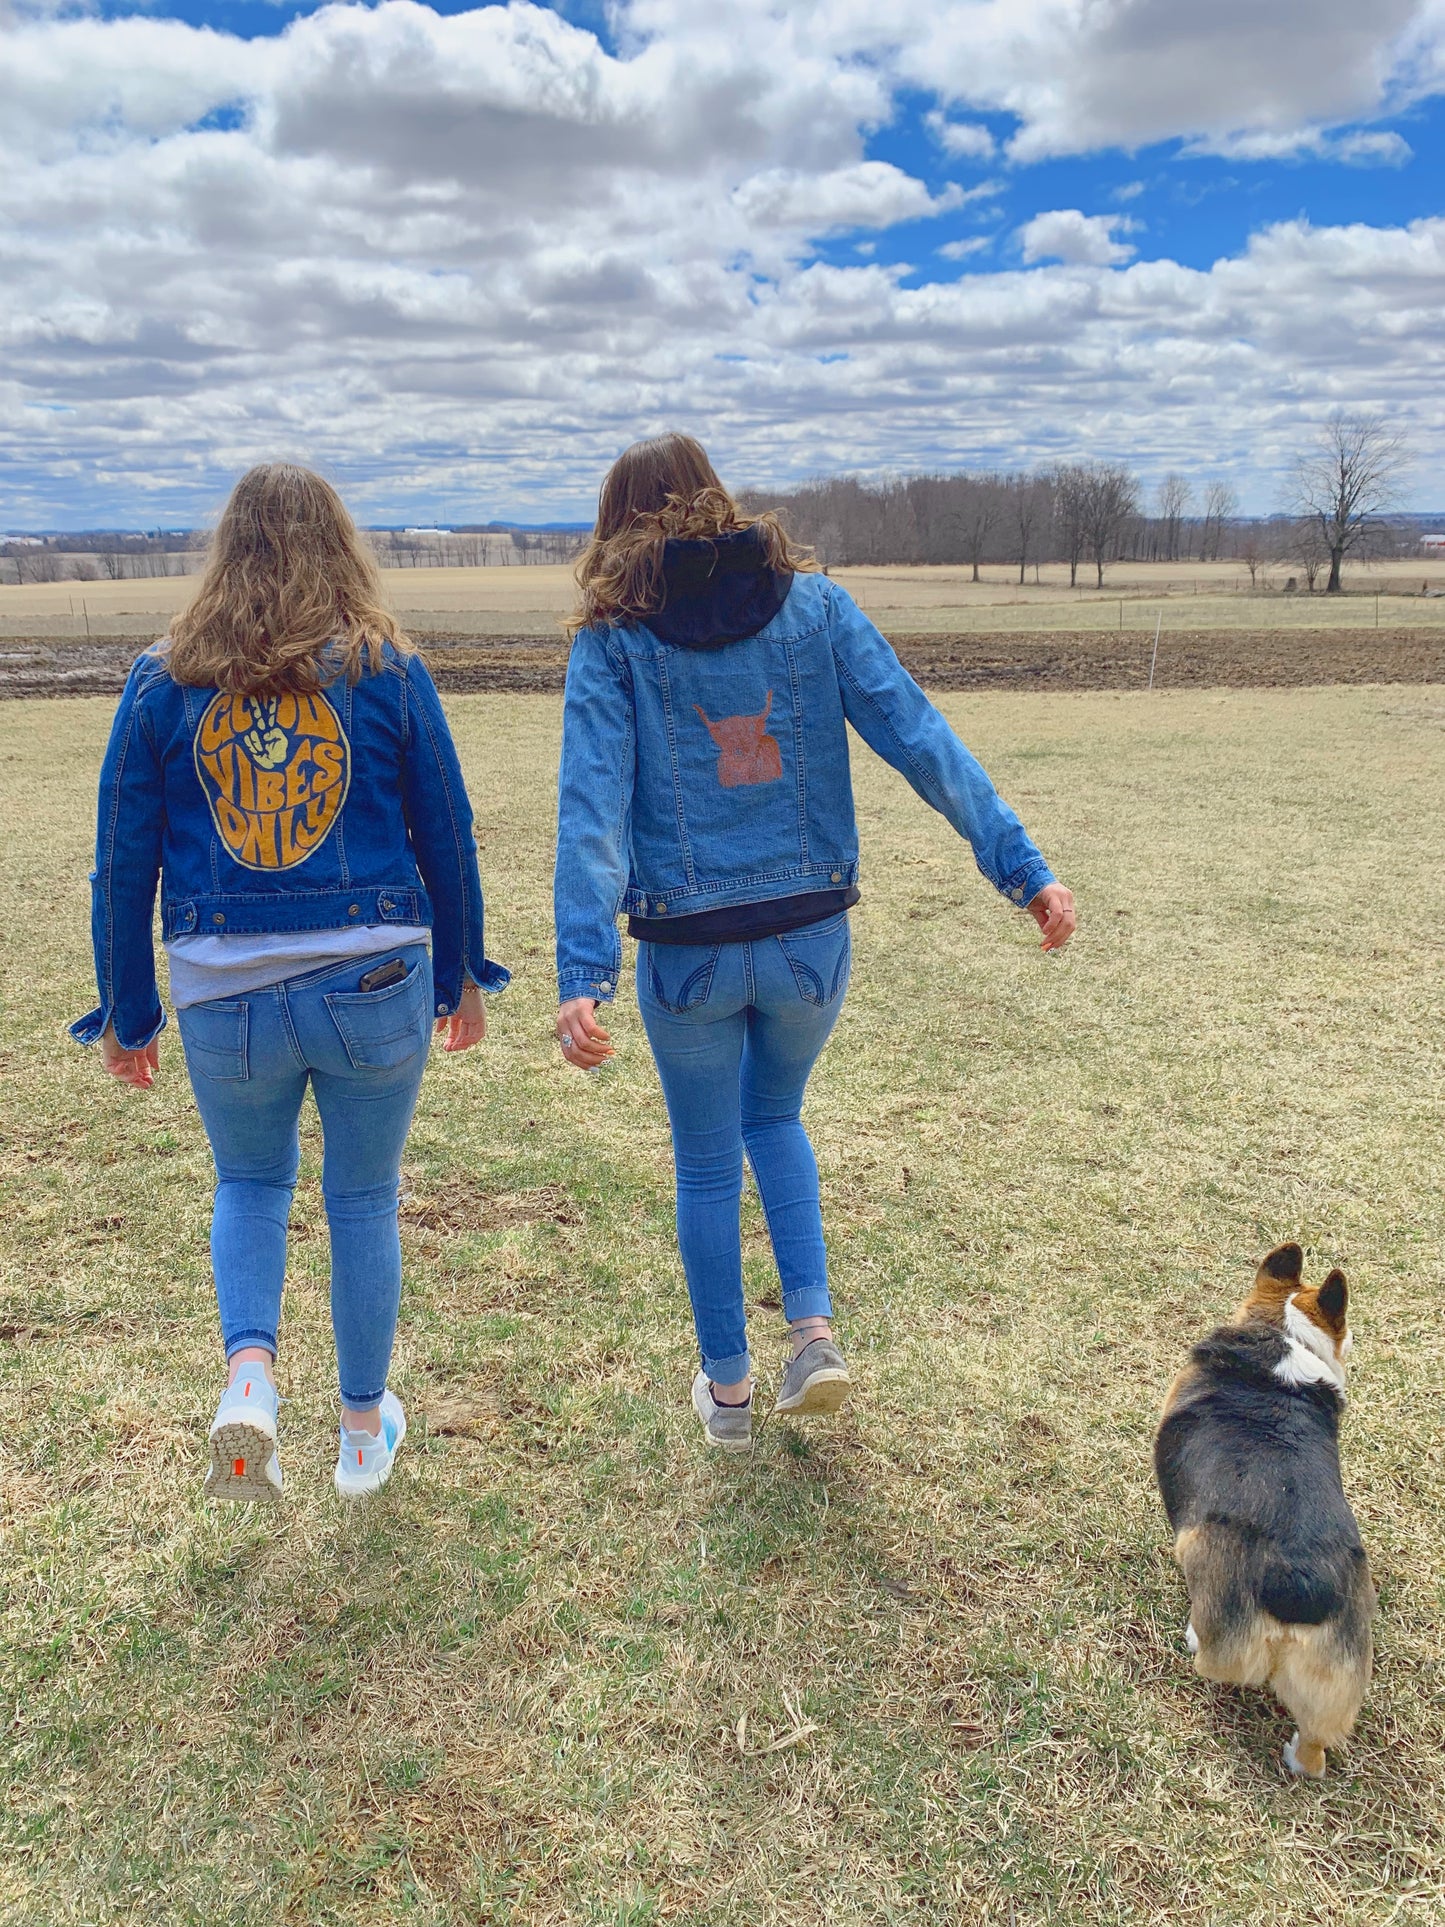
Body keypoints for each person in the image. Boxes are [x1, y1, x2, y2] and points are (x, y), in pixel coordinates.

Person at [553, 434, 1075, 1452]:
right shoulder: (817, 607)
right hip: (808, 943)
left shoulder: (614, 639)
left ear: (617, 525)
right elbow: (921, 738)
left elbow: (589, 810)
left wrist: (583, 973)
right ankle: (813, 1332)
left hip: (688, 952)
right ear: (715, 499)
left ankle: (730, 1399)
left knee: (706, 1165)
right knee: (776, 1118)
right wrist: (1023, 868)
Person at [71, 464, 508, 1504]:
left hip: (224, 996)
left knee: (251, 1185)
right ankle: (361, 1434)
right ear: (339, 547)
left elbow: (121, 862)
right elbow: (446, 832)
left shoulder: (160, 679)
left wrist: (128, 1012)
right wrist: (461, 975)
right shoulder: (388, 669)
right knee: (362, 1198)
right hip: (377, 978)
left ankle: (251, 1382)